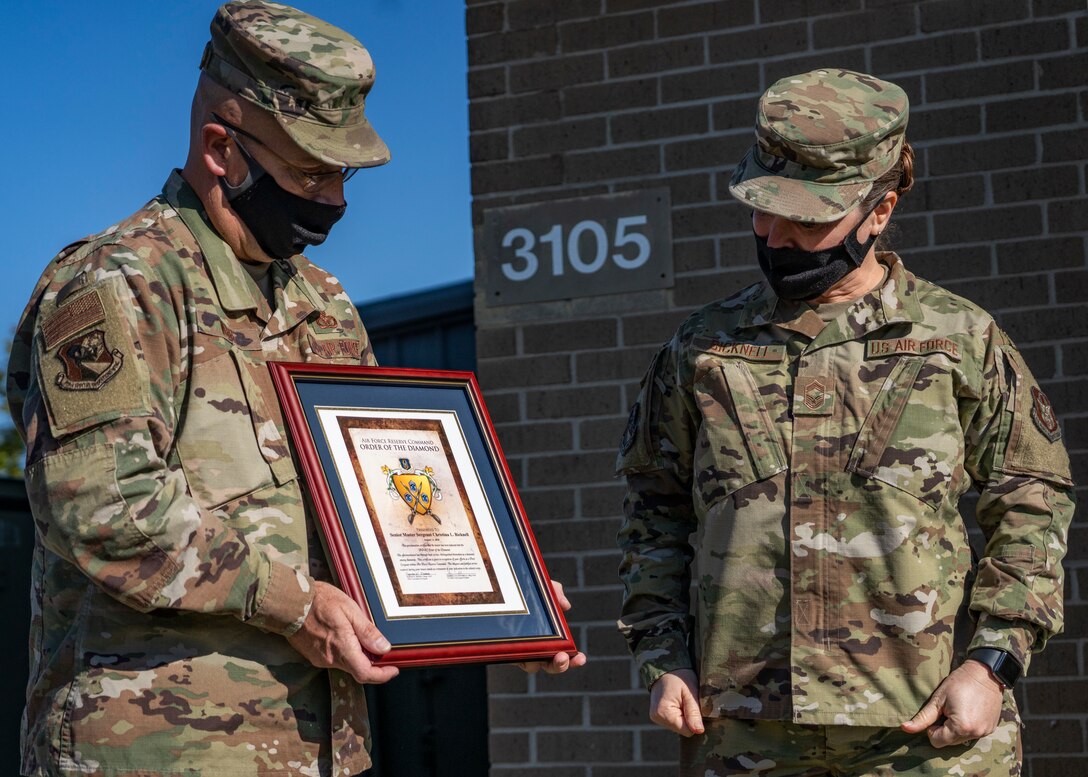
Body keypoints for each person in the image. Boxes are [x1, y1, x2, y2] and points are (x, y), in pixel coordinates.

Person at [7, 3, 581, 776]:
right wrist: (293, 602)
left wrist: (497, 599)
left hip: (321, 749)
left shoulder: (325, 303)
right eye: (309, 171)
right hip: (156, 750)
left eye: (342, 173)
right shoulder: (117, 285)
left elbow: (386, 500)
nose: (335, 200)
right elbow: (104, 508)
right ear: (221, 149)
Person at [616, 68, 1074, 776]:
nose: (774, 233)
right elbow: (655, 512)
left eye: (806, 216)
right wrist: (662, 656)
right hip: (745, 740)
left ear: (880, 209)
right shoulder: (700, 348)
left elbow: (1033, 503)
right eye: (763, 209)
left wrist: (992, 662)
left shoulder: (960, 340)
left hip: (926, 738)